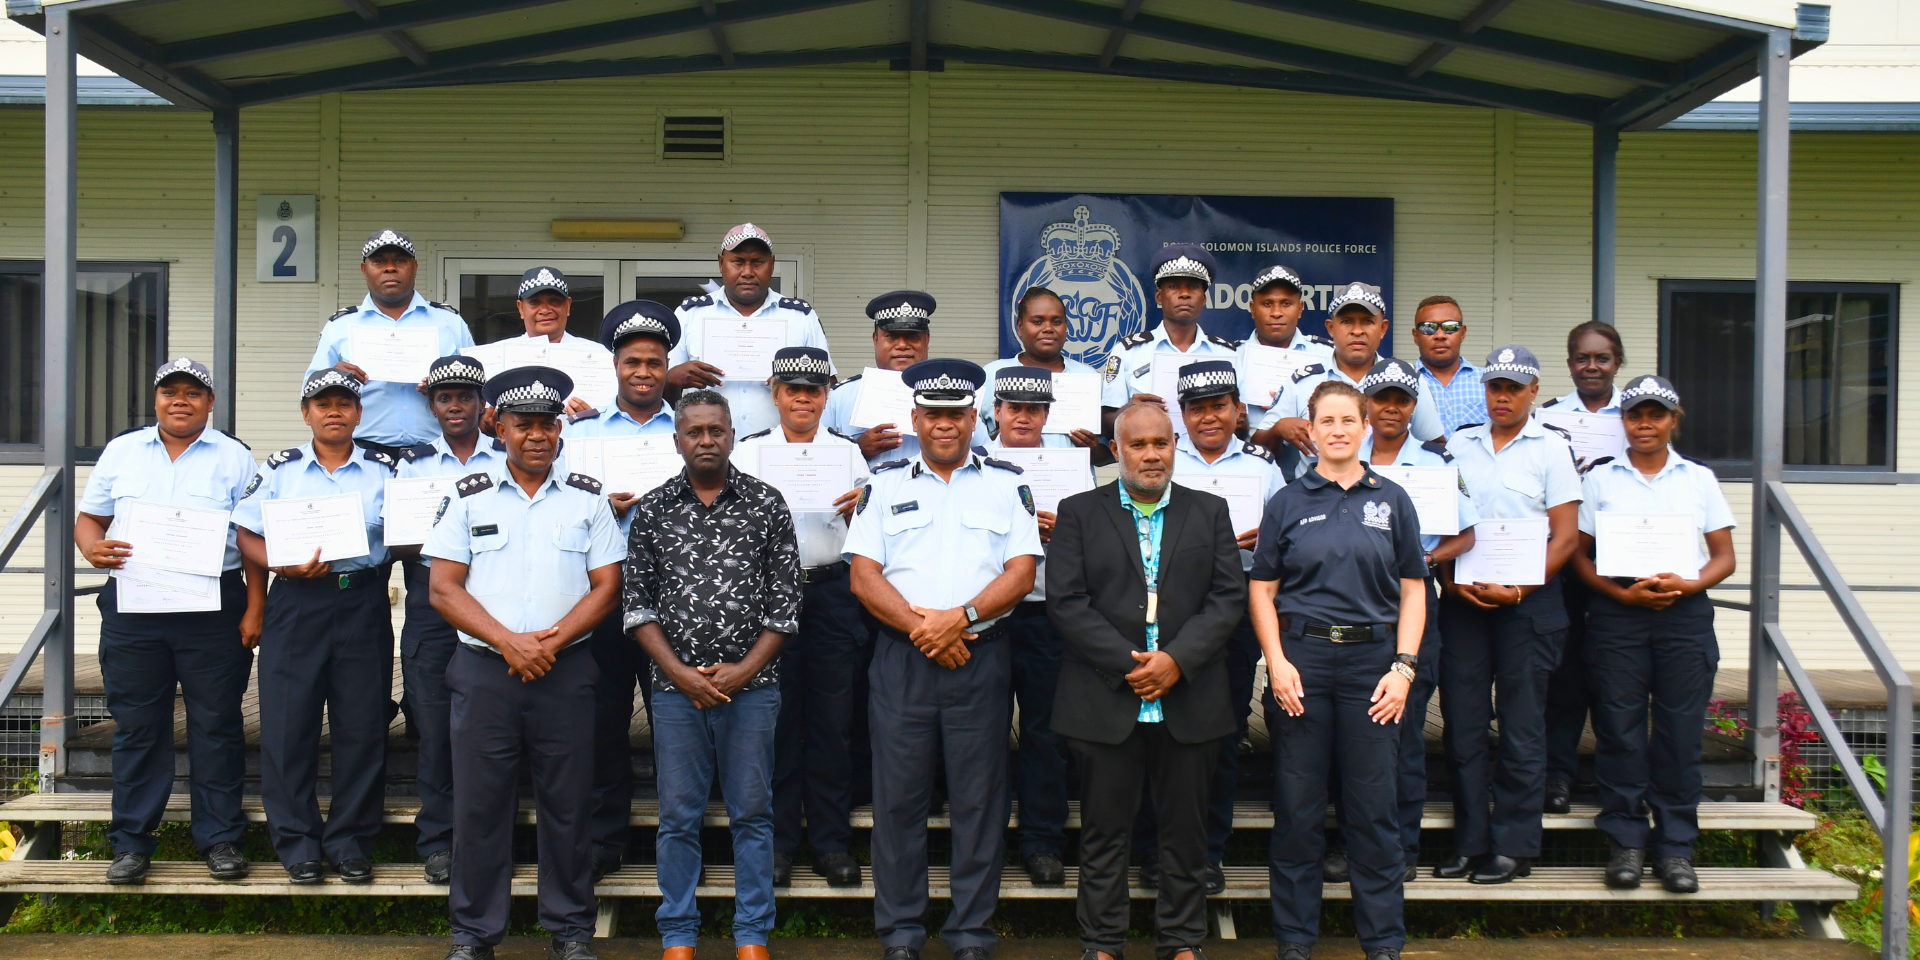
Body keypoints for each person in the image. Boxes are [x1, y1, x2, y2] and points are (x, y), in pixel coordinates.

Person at [842, 358, 1042, 960]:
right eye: (933, 415)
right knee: (897, 800)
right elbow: (862, 576)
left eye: (956, 414)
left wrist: (962, 619)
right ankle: (901, 932)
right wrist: (924, 628)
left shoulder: (1008, 484)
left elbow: (1022, 572)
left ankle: (970, 933)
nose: (945, 425)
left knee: (979, 801)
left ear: (974, 417)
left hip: (980, 658)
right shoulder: (883, 485)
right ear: (915, 419)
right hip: (903, 661)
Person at [424, 365, 624, 960]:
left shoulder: (588, 498)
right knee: (480, 807)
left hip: (566, 672)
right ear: (500, 429)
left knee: (569, 804)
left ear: (559, 429)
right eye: (523, 426)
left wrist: (548, 642)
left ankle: (570, 930)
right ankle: (474, 934)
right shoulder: (467, 497)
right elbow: (443, 588)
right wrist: (511, 642)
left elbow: (607, 586)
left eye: (547, 425)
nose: (536, 435)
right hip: (487, 671)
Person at [1047, 399, 1246, 960]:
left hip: (1190, 697)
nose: (1151, 454)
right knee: (1104, 833)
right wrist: (1134, 665)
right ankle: (1103, 944)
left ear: (1175, 447)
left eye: (1161, 443)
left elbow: (1228, 597)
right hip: (1106, 697)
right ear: (1117, 451)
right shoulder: (1079, 512)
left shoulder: (1209, 511)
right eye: (1138, 444)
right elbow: (1067, 603)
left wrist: (1177, 660)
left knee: (1186, 833)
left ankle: (1182, 942)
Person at [1251, 380, 1428, 960]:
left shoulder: (1394, 499)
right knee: (1298, 810)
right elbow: (1263, 589)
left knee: (1373, 811)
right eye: (1326, 421)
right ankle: (1295, 941)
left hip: (1372, 668)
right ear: (1312, 428)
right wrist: (1276, 662)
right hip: (1302, 665)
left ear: (1365, 424)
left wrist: (1403, 667)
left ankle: (1382, 943)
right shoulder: (1287, 501)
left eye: (1348, 420)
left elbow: (1413, 589)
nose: (1338, 431)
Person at [74, 358, 263, 885]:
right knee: (138, 728)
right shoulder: (122, 452)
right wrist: (92, 548)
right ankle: (132, 842)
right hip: (135, 610)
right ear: (155, 399)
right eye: (170, 392)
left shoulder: (235, 458)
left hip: (214, 610)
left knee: (217, 726)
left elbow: (251, 538)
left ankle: (221, 839)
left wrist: (254, 606)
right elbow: (90, 518)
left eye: (193, 393)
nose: (180, 401)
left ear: (210, 402)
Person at [628, 389, 800, 960]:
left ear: (731, 435)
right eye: (694, 431)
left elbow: (785, 607)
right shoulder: (652, 510)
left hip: (752, 691)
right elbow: (637, 606)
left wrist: (741, 672)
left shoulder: (767, 504)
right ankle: (678, 932)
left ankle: (752, 934)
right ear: (677, 439)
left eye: (716, 431)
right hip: (675, 692)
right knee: (678, 815)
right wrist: (681, 674)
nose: (706, 440)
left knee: (753, 812)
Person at [1572, 375, 1735, 895]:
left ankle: (1675, 848)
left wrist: (1690, 584)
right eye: (1635, 415)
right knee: (1618, 731)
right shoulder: (1601, 480)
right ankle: (1626, 842)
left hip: (1683, 617)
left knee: (1679, 733)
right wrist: (1618, 595)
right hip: (1619, 615)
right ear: (1623, 421)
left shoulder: (1698, 480)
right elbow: (1578, 553)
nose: (1644, 424)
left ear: (1673, 420)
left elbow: (1724, 557)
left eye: (1655, 415)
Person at [232, 369, 395, 884]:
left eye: (344, 404)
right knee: (287, 726)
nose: (334, 412)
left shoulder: (385, 470)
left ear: (358, 413)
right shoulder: (280, 469)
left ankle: (350, 841)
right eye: (322, 404)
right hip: (297, 603)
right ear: (306, 413)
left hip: (361, 601)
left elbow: (409, 529)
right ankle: (298, 842)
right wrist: (280, 564)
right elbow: (245, 532)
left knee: (362, 726)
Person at [1436, 345, 1582, 885]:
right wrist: (1450, 583)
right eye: (1495, 386)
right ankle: (1471, 843)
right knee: (1465, 724)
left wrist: (1521, 588)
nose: (1502, 396)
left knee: (1522, 725)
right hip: (1467, 602)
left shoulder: (1551, 450)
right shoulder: (1458, 445)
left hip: (1529, 600)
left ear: (1533, 392)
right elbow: (1443, 527)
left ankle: (1515, 845)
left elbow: (1566, 536)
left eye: (1513, 388)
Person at [732, 347, 872, 889]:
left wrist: (862, 507)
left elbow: (870, 531)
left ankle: (832, 842)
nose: (803, 399)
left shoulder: (848, 456)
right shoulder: (750, 454)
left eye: (814, 390)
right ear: (775, 393)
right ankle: (780, 843)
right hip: (771, 597)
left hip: (832, 593)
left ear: (825, 396)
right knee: (776, 722)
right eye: (793, 389)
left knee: (833, 724)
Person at [570, 299, 681, 883]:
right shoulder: (580, 434)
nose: (644, 371)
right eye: (633, 361)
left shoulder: (692, 426)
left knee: (675, 720)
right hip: (605, 595)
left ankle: (678, 838)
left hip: (674, 597)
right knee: (604, 719)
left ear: (668, 367)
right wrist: (599, 509)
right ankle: (605, 837)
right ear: (615, 365)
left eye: (655, 362)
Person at [1163, 359, 1285, 893]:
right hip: (1169, 613)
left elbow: (1288, 542)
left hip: (1234, 614)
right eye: (1196, 408)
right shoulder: (1164, 460)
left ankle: (1208, 852)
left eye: (1218, 406)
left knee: (1223, 731)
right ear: (1182, 415)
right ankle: (1156, 850)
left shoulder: (1264, 468)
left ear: (1238, 411)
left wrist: (1268, 542)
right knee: (1160, 734)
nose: (1208, 417)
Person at [1356, 359, 1479, 880]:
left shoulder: (1434, 463)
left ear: (1414, 407)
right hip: (1350, 606)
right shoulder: (1340, 454)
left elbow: (1466, 535)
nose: (1390, 408)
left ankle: (1401, 849)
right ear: (1367, 403)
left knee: (1403, 731)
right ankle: (1353, 843)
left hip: (1410, 604)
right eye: (1381, 397)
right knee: (1354, 730)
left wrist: (1424, 561)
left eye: (1401, 400)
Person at [977, 366, 1092, 887]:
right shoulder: (974, 461)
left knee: (1046, 730)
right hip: (986, 615)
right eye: (1014, 408)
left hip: (1048, 611)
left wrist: (1066, 530)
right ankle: (985, 839)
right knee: (983, 730)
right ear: (996, 411)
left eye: (1034, 409)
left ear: (1047, 414)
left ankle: (1042, 840)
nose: (1023, 417)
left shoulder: (1070, 465)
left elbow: (1097, 537)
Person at [391, 354, 501, 884]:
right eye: (444, 397)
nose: (455, 405)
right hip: (432, 599)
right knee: (435, 726)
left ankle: (491, 838)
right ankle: (438, 841)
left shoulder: (507, 456)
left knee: (495, 723)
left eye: (464, 396)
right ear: (431, 405)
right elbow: (398, 537)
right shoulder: (410, 464)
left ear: (483, 404)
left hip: (495, 597)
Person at [1541, 320, 1627, 814]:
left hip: (1622, 553)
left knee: (1616, 673)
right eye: (1581, 358)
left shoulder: (1636, 412)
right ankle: (1557, 773)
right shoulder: (1549, 417)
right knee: (1564, 670)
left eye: (1602, 358)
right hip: (1565, 551)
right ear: (1569, 362)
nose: (1591, 366)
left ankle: (1618, 774)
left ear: (1617, 362)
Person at [307, 229, 475, 458]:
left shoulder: (450, 323)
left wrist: (443, 388)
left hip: (437, 453)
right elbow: (309, 395)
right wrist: (333, 376)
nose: (390, 268)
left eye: (400, 260)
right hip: (363, 454)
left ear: (414, 267)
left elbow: (479, 389)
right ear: (364, 270)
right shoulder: (339, 327)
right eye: (379, 261)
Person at [1256, 282, 1443, 474]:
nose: (1357, 331)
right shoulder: (1302, 381)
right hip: (1316, 498)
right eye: (1347, 321)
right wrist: (1278, 428)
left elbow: (1433, 446)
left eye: (1367, 321)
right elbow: (1258, 450)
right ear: (1330, 328)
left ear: (1383, 328)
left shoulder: (1408, 379)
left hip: (1389, 496)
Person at [669, 223, 834, 438]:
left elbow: (828, 384)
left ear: (772, 265)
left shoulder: (800, 317)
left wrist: (794, 379)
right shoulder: (689, 315)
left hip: (780, 452)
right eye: (738, 262)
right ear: (721, 263)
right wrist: (673, 378)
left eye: (757, 263)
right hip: (707, 453)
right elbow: (661, 394)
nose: (747, 272)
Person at [1100, 244, 1238, 438]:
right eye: (1174, 286)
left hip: (1210, 463)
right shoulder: (1127, 351)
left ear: (1204, 298)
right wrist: (1128, 410)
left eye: (1193, 286)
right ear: (1159, 296)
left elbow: (1242, 424)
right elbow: (1106, 424)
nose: (1184, 294)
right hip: (1149, 460)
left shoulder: (1227, 355)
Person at [979, 286, 1102, 450]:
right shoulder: (992, 374)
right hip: (1002, 473)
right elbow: (971, 442)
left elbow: (1111, 452)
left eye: (1057, 322)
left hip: (1071, 474)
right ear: (1020, 327)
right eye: (1037, 321)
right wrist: (1003, 437)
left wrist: (1094, 448)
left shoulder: (1088, 377)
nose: (1048, 328)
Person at [824, 290, 935, 468]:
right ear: (875, 339)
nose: (902, 345)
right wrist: (857, 450)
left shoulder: (953, 396)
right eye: (891, 336)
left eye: (913, 336)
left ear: (927, 339)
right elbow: (814, 462)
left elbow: (981, 454)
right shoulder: (840, 398)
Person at [492, 266, 613, 418]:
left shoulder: (601, 355)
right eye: (534, 302)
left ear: (568, 306)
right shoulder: (498, 356)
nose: (544, 310)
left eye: (554, 301)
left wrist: (595, 420)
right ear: (521, 308)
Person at [1237, 264, 1334, 447]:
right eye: (1267, 304)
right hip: (1248, 464)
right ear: (1252, 307)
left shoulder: (1326, 356)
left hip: (1312, 466)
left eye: (1286, 303)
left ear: (1300, 308)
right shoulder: (1233, 357)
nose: (1276, 313)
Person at [1410, 296, 1487, 433]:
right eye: (1429, 328)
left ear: (1462, 333)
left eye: (1450, 327)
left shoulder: (1488, 382)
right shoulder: (1404, 383)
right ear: (1416, 336)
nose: (1440, 335)